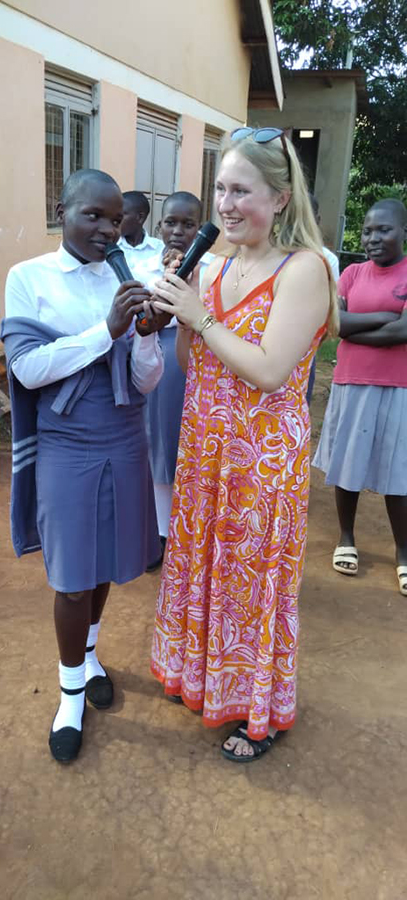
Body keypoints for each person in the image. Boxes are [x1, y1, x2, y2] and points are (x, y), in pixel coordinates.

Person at [150, 127, 337, 762]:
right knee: (204, 566)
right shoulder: (216, 263)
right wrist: (180, 311)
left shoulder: (305, 269)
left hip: (262, 460)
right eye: (221, 190)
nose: (225, 206)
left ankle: (261, 716)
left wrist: (199, 315)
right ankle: (208, 682)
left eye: (241, 192)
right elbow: (192, 362)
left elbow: (270, 370)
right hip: (206, 449)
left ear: (280, 198)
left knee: (251, 583)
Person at [1, 169, 167, 764]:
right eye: (92, 215)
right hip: (67, 444)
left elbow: (146, 382)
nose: (106, 229)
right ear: (61, 211)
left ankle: (90, 656)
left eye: (115, 219)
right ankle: (70, 696)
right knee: (72, 577)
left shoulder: (127, 278)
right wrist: (108, 329)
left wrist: (146, 336)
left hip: (124, 437)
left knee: (103, 566)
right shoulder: (29, 278)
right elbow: (27, 370)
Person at [313, 198, 407, 594]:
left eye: (384, 230)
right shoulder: (351, 274)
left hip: (399, 386)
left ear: (403, 232)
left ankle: (403, 552)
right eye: (367, 231)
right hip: (351, 382)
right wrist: (385, 318)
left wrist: (356, 329)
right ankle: (346, 538)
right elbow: (334, 325)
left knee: (398, 472)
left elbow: (404, 332)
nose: (373, 238)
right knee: (348, 464)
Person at [133, 192, 214, 570]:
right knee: (160, 444)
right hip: (156, 358)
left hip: (197, 358)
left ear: (200, 227)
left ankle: (193, 531)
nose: (178, 231)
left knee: (191, 444)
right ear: (159, 225)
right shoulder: (143, 265)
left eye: (188, 224)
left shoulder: (214, 269)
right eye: (171, 223)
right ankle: (162, 531)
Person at [306, 194, 340, 403]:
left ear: (317, 220)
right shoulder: (271, 254)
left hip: (305, 346)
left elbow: (331, 309)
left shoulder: (327, 259)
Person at [118, 190, 163, 266]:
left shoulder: (160, 250)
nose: (116, 219)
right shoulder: (109, 248)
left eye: (121, 215)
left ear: (140, 218)